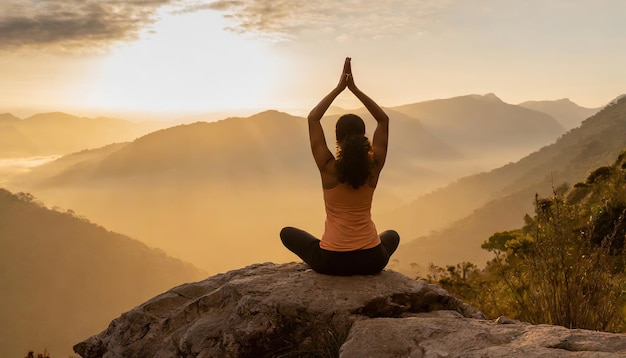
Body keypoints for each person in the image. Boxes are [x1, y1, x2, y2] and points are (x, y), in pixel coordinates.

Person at [280, 57, 400, 275]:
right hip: (372, 260)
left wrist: (339, 89)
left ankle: (328, 248)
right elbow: (383, 120)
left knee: (287, 233)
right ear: (364, 136)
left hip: (332, 262)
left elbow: (313, 119)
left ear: (337, 139)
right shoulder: (374, 167)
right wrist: (354, 89)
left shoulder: (327, 167)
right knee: (392, 235)